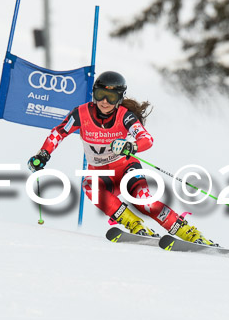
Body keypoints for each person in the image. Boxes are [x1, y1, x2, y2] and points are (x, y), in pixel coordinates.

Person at [27, 70, 217, 246]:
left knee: (143, 201)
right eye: (101, 94)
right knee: (89, 185)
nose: (105, 101)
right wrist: (43, 154)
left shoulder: (125, 116)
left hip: (126, 168)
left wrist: (130, 146)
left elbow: (147, 139)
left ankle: (190, 234)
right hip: (101, 173)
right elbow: (58, 133)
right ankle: (136, 226)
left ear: (120, 98)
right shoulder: (81, 113)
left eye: (112, 97)